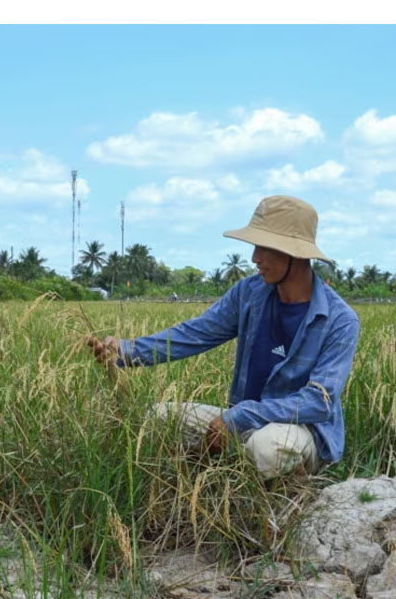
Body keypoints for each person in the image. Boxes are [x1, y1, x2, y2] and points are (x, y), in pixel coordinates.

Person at [87, 195, 360, 480]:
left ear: (296, 254)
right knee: (158, 419)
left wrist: (239, 417)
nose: (255, 258)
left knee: (267, 447)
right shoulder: (249, 293)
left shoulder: (340, 320)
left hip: (299, 431)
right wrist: (128, 352)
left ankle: (292, 487)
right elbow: (195, 333)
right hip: (242, 423)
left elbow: (319, 401)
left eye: (265, 248)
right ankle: (217, 475)